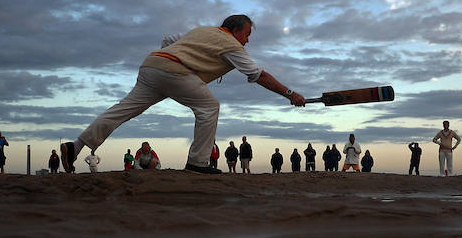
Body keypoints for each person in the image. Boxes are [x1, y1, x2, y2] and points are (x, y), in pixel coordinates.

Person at [62, 14, 304, 175]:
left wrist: (174, 60)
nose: (247, 40)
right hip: (174, 71)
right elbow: (257, 75)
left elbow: (168, 39)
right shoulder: (231, 44)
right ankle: (198, 164)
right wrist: (290, 93)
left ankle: (76, 147)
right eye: (247, 34)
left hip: (151, 65)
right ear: (234, 30)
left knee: (123, 110)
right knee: (209, 108)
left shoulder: (202, 31)